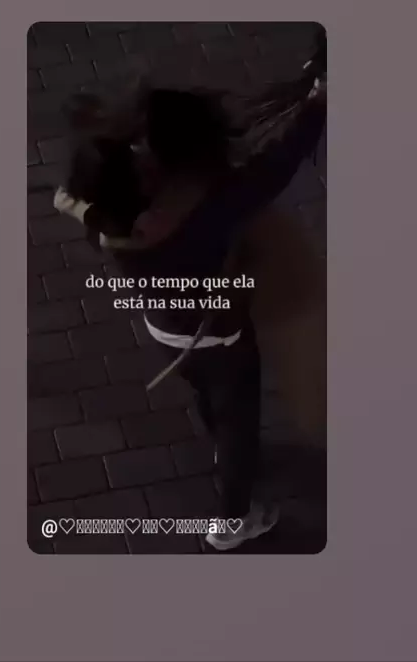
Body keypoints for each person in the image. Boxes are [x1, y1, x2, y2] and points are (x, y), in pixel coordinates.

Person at [54, 80, 326, 551]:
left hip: (167, 334)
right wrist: (317, 104)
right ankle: (232, 522)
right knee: (240, 420)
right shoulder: (207, 214)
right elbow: (277, 163)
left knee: (207, 393)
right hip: (220, 337)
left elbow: (67, 197)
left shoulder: (106, 226)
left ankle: (221, 445)